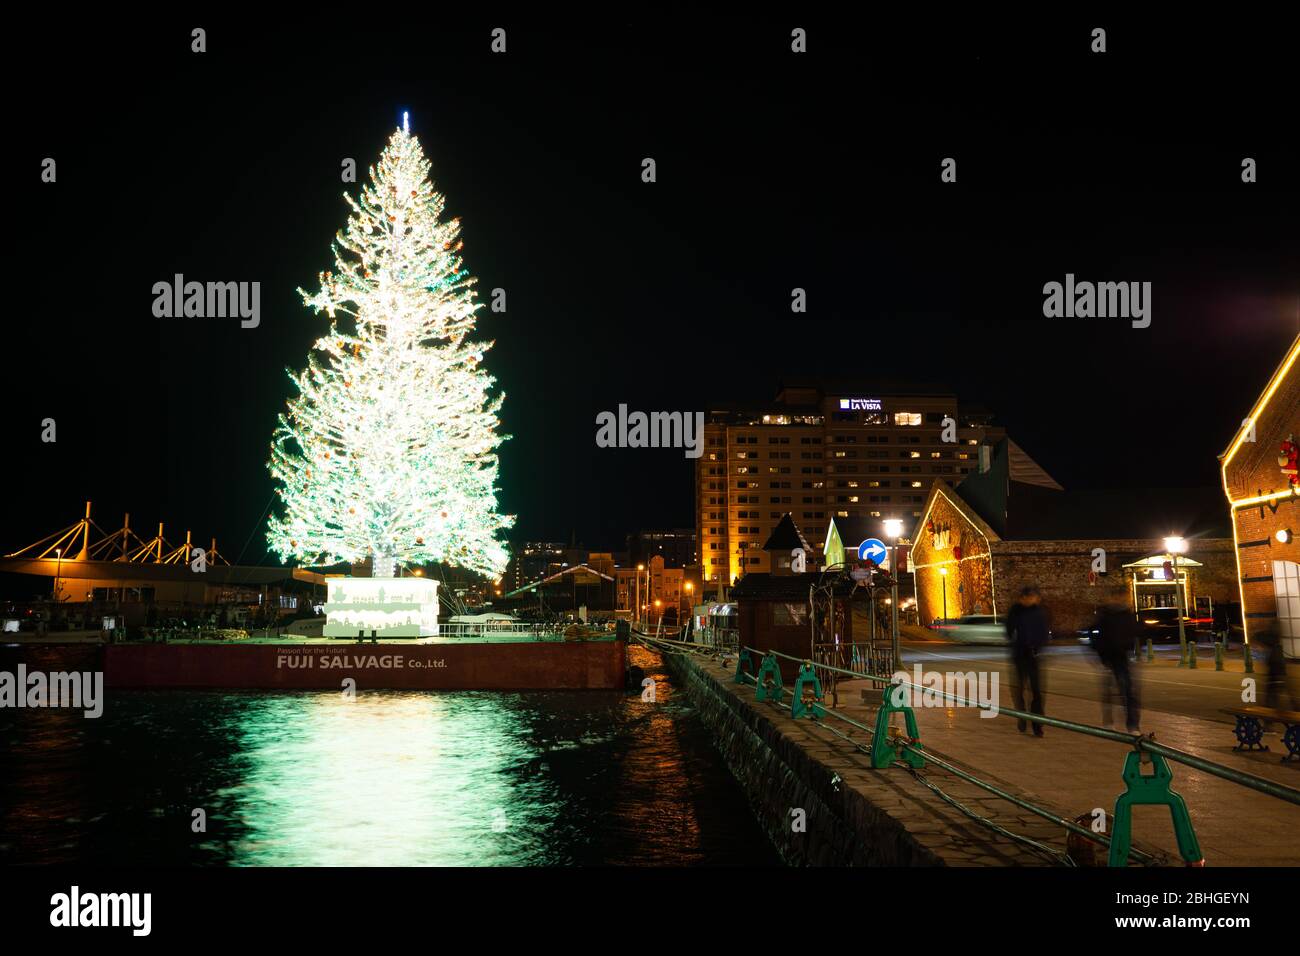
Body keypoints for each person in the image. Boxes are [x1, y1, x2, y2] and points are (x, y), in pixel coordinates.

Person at [1005, 586, 1050, 735]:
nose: (1033, 600)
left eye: (1035, 597)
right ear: (1023, 598)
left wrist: (1040, 646)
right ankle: (1022, 717)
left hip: (1035, 656)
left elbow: (1044, 631)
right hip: (1020, 656)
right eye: (1030, 597)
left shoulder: (1039, 612)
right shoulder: (1015, 612)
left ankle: (1037, 724)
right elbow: (1008, 631)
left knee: (1036, 691)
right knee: (1019, 690)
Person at [1091, 603, 1141, 731]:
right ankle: (1110, 721)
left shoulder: (1127, 616)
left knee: (1127, 690)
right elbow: (1096, 636)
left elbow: (1136, 632)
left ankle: (1131, 724)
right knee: (1112, 690)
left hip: (1123, 657)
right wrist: (1102, 655)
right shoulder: (1105, 616)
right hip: (1110, 657)